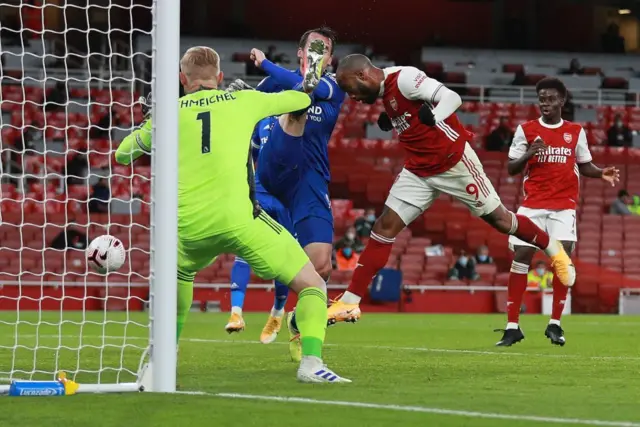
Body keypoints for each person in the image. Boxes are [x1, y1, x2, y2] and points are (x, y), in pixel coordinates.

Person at [114, 46, 348, 383]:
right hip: (240, 220)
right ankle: (311, 363)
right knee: (312, 284)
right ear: (220, 78)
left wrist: (148, 129)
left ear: (183, 79)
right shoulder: (243, 101)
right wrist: (294, 79)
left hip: (188, 227)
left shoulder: (168, 114)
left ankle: (161, 360)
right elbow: (300, 101)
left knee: (177, 282)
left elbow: (123, 155)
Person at [328, 54, 576, 325]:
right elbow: (409, 114)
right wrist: (395, 118)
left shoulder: (405, 78)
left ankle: (553, 248)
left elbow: (451, 98)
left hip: (454, 162)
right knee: (383, 227)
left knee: (502, 220)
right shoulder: (385, 91)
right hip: (419, 171)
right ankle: (350, 302)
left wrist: (433, 115)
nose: (353, 97)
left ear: (363, 76)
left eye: (351, 89)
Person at [240, 27, 345, 361]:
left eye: (324, 49)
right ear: (300, 53)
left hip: (309, 180)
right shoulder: (272, 85)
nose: (318, 52)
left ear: (329, 59)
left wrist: (266, 63)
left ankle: (297, 321)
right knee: (296, 105)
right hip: (272, 172)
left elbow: (309, 85)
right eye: (312, 47)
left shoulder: (334, 88)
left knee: (321, 268)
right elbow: (242, 116)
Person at [497, 77, 619, 347]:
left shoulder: (575, 131)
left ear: (562, 101)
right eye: (542, 98)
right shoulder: (526, 130)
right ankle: (512, 325)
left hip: (563, 207)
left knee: (561, 258)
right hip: (532, 204)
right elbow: (511, 169)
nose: (546, 103)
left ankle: (555, 324)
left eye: (551, 99)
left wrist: (601, 173)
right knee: (522, 256)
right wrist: (529, 153)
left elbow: (584, 165)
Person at [224, 115, 296, 346]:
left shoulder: (304, 115)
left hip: (288, 198)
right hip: (262, 195)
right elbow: (253, 157)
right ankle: (236, 312)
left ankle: (277, 312)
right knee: (243, 249)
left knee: (284, 260)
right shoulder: (263, 122)